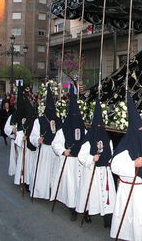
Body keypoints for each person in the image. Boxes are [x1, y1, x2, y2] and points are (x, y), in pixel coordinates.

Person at [110, 93, 142, 241]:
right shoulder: (125, 147)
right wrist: (133, 164)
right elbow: (114, 166)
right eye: (138, 129)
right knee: (136, 224)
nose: (141, 132)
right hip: (132, 191)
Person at [76, 99, 116, 227]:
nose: (99, 128)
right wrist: (91, 159)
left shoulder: (107, 139)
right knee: (91, 194)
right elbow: (81, 155)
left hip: (104, 172)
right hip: (91, 171)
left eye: (101, 126)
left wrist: (108, 161)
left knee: (107, 195)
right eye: (97, 126)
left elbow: (111, 153)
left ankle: (107, 218)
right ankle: (87, 212)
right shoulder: (88, 139)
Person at [51, 86, 88, 221]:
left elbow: (88, 145)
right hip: (69, 163)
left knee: (83, 186)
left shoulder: (84, 131)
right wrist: (63, 151)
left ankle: (84, 211)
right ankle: (72, 208)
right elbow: (56, 144)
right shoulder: (63, 131)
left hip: (81, 163)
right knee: (72, 187)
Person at [30, 86, 62, 200]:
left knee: (54, 172)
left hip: (54, 151)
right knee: (42, 173)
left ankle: (53, 193)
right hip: (43, 150)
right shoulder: (39, 120)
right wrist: (37, 140)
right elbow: (33, 136)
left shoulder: (59, 121)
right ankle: (40, 192)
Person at [14, 86, 37, 190]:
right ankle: (23, 180)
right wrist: (21, 139)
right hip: (24, 148)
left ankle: (29, 182)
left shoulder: (33, 121)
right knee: (24, 166)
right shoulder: (20, 121)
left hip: (31, 149)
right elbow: (18, 134)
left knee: (31, 167)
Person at [4, 107, 18, 177]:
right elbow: (6, 129)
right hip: (15, 142)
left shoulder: (28, 115)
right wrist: (12, 131)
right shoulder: (13, 116)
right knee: (16, 160)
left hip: (26, 144)